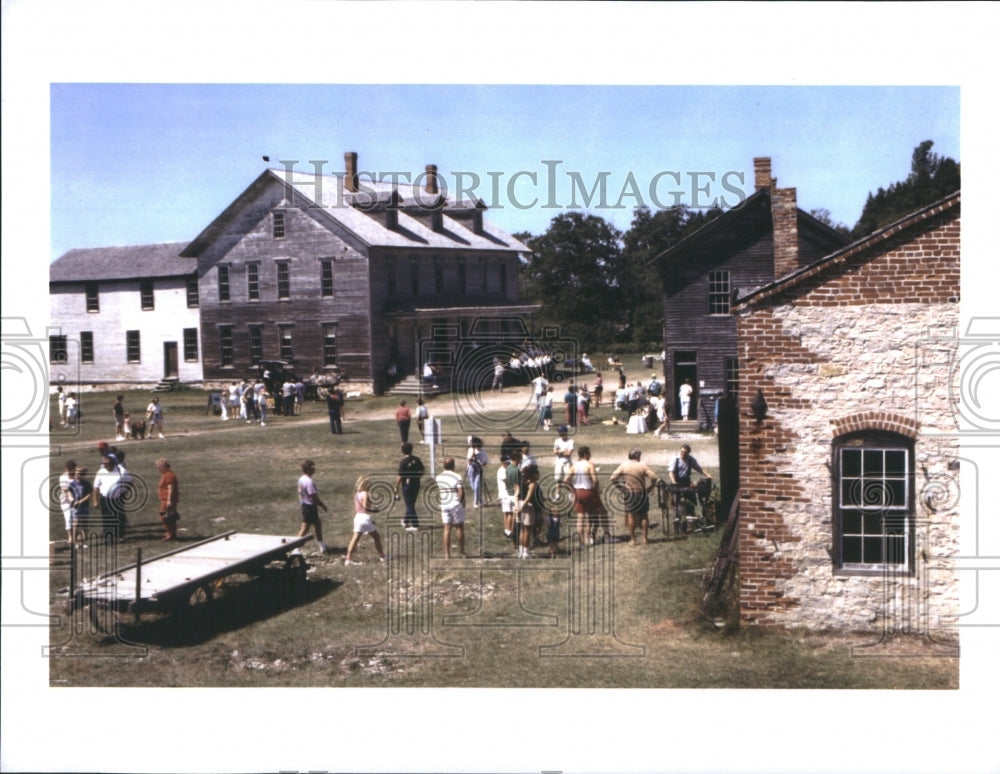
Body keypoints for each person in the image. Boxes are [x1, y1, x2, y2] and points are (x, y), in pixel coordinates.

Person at [609, 448, 660, 546]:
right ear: (637, 456)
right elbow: (654, 477)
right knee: (644, 515)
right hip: (641, 492)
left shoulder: (624, 465)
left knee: (631, 516)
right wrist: (651, 486)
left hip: (630, 493)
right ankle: (645, 539)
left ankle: (633, 540)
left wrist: (620, 488)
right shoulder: (642, 465)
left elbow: (613, 478)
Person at [571, 446, 609, 545]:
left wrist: (572, 489)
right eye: (589, 453)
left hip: (577, 492)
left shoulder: (574, 466)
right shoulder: (589, 465)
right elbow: (595, 480)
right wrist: (596, 490)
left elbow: (566, 480)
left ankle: (581, 543)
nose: (590, 455)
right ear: (585, 454)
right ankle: (607, 535)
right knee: (603, 512)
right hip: (588, 491)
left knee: (580, 518)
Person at [345, 475, 386, 565]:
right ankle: (382, 556)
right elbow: (365, 506)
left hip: (357, 517)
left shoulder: (357, 494)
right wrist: (375, 510)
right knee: (376, 537)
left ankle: (348, 559)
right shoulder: (365, 494)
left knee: (354, 539)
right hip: (365, 517)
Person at [92, 452, 131, 539]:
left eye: (107, 463)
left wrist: (124, 492)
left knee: (118, 517)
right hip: (105, 499)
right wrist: (95, 501)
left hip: (117, 498)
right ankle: (108, 536)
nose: (105, 465)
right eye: (104, 463)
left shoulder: (121, 471)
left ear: (113, 463)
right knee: (107, 518)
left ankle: (120, 535)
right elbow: (96, 487)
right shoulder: (101, 472)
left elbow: (130, 482)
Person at [296, 460, 331, 554]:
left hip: (305, 505)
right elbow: (313, 497)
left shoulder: (301, 479)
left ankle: (322, 545)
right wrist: (323, 505)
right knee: (304, 529)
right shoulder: (309, 482)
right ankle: (295, 548)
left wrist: (302, 502)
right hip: (310, 506)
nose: (314, 469)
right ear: (309, 469)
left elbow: (300, 493)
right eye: (312, 467)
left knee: (317, 525)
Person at [435, 458, 466, 558]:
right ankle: (461, 551)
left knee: (447, 529)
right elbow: (461, 491)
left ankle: (447, 553)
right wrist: (462, 502)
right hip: (455, 503)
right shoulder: (457, 476)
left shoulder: (439, 477)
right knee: (459, 527)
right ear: (453, 465)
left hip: (444, 503)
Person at [394, 442, 424, 531]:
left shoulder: (403, 462)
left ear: (403, 451)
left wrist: (396, 486)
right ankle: (405, 521)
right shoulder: (417, 459)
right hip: (416, 484)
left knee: (409, 505)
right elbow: (422, 471)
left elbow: (400, 476)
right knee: (411, 504)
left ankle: (415, 524)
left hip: (407, 485)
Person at [515, 463, 542, 559]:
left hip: (518, 504)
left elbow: (516, 495)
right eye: (537, 473)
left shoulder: (521, 481)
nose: (538, 475)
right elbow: (528, 498)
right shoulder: (532, 484)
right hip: (527, 507)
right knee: (527, 531)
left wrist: (517, 507)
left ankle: (521, 551)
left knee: (521, 530)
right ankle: (526, 552)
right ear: (534, 474)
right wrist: (522, 508)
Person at [155, 457, 180, 541]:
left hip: (167, 500)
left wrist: (169, 500)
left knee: (165, 516)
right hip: (165, 499)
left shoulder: (169, 475)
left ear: (164, 466)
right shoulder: (166, 475)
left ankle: (171, 534)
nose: (157, 469)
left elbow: (171, 488)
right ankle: (171, 533)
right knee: (170, 516)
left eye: (159, 467)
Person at [465, 436, 489, 508]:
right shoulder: (471, 450)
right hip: (471, 469)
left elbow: (486, 461)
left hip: (479, 470)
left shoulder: (483, 451)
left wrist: (482, 466)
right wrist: (473, 452)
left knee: (477, 485)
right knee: (473, 486)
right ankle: (480, 500)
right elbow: (469, 459)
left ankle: (475, 503)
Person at [58, 460, 77, 545]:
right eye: (68, 469)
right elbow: (65, 490)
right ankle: (70, 536)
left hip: (76, 499)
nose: (69, 471)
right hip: (66, 501)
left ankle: (75, 535)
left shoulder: (77, 476)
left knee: (76, 519)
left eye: (71, 469)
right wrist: (71, 499)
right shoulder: (62, 477)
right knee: (68, 518)